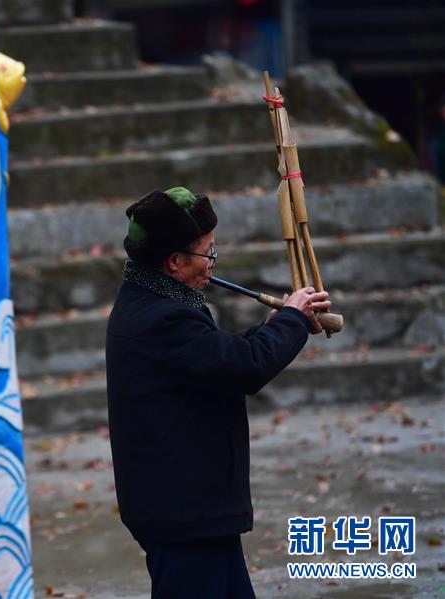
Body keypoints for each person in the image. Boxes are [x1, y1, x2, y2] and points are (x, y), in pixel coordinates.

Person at [105, 187, 331, 598]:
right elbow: (243, 366)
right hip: (184, 515)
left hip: (196, 510)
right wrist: (293, 320)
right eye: (206, 252)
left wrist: (277, 324)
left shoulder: (154, 298)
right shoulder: (161, 318)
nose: (212, 262)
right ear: (174, 261)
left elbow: (215, 358)